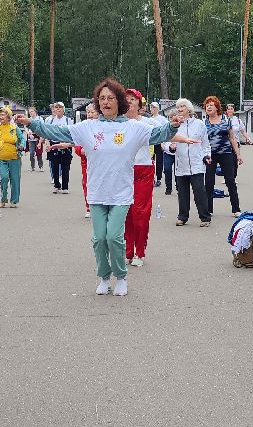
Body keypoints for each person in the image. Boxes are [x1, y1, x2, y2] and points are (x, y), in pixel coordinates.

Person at [19, 78, 177, 296]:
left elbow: (159, 134)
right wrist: (32, 124)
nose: (105, 102)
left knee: (113, 236)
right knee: (99, 238)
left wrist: (173, 126)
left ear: (119, 101)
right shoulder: (88, 127)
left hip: (121, 193)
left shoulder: (133, 127)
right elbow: (59, 133)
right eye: (102, 98)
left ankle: (121, 277)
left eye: (110, 98)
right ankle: (104, 277)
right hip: (97, 192)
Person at [123, 88, 156, 266]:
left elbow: (166, 135)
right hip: (123, 170)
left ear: (139, 104)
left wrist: (171, 145)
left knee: (141, 213)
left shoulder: (149, 123)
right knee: (125, 212)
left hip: (143, 169)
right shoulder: (118, 123)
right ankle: (128, 251)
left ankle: (140, 252)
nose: (129, 102)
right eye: (126, 99)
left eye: (133, 99)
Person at [166, 98, 211, 226]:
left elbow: (206, 144)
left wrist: (206, 156)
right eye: (178, 107)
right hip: (181, 165)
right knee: (182, 193)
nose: (179, 109)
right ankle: (182, 217)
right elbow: (167, 142)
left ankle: (205, 217)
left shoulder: (199, 124)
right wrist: (170, 147)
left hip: (196, 165)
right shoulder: (174, 125)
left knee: (199, 192)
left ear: (189, 109)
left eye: (182, 107)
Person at [202, 96, 243, 216]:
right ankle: (208, 210)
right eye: (207, 105)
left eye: (211, 104)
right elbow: (202, 141)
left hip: (226, 153)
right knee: (209, 182)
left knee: (230, 181)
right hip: (210, 155)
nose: (208, 106)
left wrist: (238, 154)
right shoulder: (204, 122)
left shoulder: (225, 119)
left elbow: (232, 138)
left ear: (217, 107)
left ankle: (236, 209)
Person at [0, 107, 24, 208]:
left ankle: (14, 201)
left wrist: (21, 145)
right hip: (1, 158)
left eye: (3, 115)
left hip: (14, 157)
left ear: (8, 117)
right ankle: (3, 198)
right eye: (0, 115)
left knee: (15, 179)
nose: (1, 117)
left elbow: (22, 138)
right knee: (4, 178)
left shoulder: (14, 128)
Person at [43, 101, 73, 194]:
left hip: (65, 145)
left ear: (63, 110)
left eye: (60, 108)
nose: (58, 109)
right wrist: (47, 144)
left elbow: (72, 133)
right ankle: (56, 185)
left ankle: (65, 187)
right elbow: (47, 133)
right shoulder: (50, 120)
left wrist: (69, 143)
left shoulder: (68, 120)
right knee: (54, 166)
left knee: (65, 167)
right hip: (54, 144)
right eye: (56, 108)